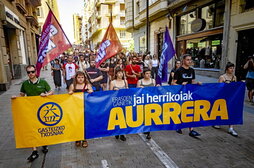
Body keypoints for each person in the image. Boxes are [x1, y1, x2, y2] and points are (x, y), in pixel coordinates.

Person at [11, 65, 53, 162]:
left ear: (36, 72)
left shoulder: (43, 82)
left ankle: (44, 144)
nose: (30, 74)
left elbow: (51, 92)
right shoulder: (25, 84)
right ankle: (34, 151)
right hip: (30, 110)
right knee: (32, 129)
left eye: (32, 72)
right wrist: (16, 98)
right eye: (28, 72)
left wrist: (46, 94)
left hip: (42, 111)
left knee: (42, 127)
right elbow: (21, 95)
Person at [172, 54, 202, 137]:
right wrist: (181, 84)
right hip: (181, 94)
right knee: (181, 110)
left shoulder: (192, 70)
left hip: (189, 93)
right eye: (188, 60)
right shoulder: (178, 71)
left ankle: (191, 130)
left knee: (190, 110)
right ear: (183, 61)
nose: (189, 61)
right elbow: (173, 83)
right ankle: (178, 126)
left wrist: (197, 83)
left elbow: (192, 81)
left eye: (190, 59)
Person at [213, 62, 238, 136]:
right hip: (223, 97)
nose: (232, 69)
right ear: (227, 69)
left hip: (231, 97)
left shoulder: (234, 77)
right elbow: (219, 88)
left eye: (233, 68)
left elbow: (236, 87)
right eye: (230, 68)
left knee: (231, 111)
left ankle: (231, 127)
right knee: (222, 110)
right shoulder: (222, 77)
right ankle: (217, 121)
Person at [69, 71, 93, 147]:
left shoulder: (87, 85)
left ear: (84, 78)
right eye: (78, 77)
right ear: (76, 78)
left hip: (85, 108)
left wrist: (91, 91)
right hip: (76, 108)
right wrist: (70, 93)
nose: (80, 79)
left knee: (85, 124)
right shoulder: (73, 86)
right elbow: (68, 96)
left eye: (82, 77)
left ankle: (84, 139)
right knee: (76, 124)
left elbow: (92, 94)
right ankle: (77, 138)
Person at [109, 68, 128, 141]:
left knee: (124, 118)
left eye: (121, 73)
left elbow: (128, 91)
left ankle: (122, 133)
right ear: (116, 74)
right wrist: (114, 91)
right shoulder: (113, 82)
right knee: (117, 117)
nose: (120, 74)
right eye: (119, 73)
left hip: (124, 101)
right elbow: (109, 93)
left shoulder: (125, 81)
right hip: (115, 102)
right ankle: (117, 131)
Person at [137, 68, 156, 139]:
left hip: (151, 101)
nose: (148, 75)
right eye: (147, 73)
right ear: (143, 74)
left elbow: (155, 91)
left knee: (149, 116)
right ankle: (145, 128)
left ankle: (148, 132)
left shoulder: (153, 81)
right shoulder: (140, 81)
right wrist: (139, 88)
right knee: (144, 116)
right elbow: (136, 92)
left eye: (149, 73)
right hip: (142, 101)